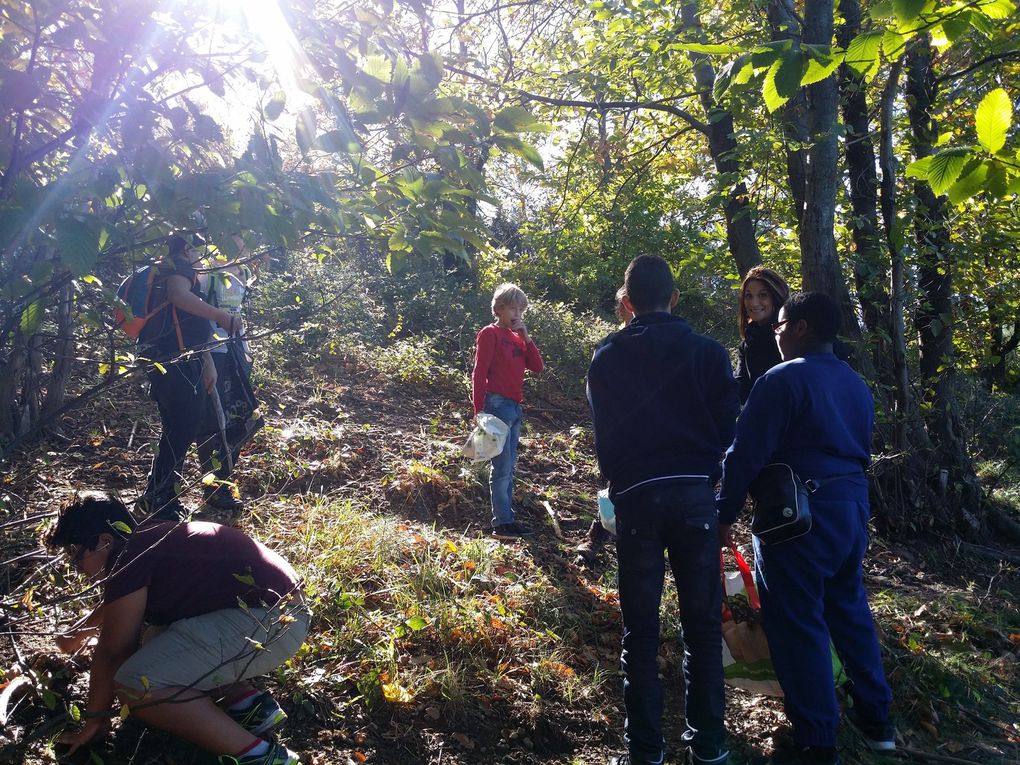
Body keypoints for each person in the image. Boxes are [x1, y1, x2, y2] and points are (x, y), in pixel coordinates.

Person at [716, 292, 895, 765]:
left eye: (779, 327)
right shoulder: (856, 384)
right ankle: (878, 720)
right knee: (848, 608)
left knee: (797, 621)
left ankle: (817, 741)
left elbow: (745, 453)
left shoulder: (782, 379)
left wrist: (723, 512)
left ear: (799, 327)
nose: (775, 336)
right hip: (851, 510)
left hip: (796, 516)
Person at [587, 255, 739, 765]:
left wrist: (621, 477)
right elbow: (728, 431)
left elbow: (604, 436)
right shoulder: (708, 353)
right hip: (696, 497)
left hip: (636, 500)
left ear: (626, 304)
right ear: (674, 298)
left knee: (641, 632)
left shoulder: (606, 357)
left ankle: (646, 751)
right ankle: (710, 746)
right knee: (701, 627)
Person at [46, 491, 309, 765]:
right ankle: (247, 704)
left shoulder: (129, 558)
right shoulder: (147, 540)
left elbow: (113, 651)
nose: (76, 567)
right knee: (154, 641)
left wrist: (94, 722)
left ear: (103, 541)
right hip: (277, 617)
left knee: (136, 684)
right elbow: (118, 604)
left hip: (271, 622)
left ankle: (259, 756)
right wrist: (78, 635)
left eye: (75, 555)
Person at [138, 234, 240, 521]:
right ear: (186, 248)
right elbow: (178, 297)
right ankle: (160, 499)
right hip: (175, 363)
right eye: (199, 249)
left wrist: (206, 360)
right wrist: (221, 316)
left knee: (178, 428)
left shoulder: (171, 269)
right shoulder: (179, 267)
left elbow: (186, 323)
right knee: (182, 427)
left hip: (180, 360)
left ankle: (159, 496)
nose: (201, 256)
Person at [471, 283, 545, 539]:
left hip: (514, 406)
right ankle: (502, 523)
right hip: (497, 404)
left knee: (509, 465)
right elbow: (480, 372)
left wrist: (527, 338)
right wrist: (478, 408)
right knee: (501, 467)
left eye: (521, 309)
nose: (517, 314)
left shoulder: (518, 338)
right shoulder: (490, 333)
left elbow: (537, 367)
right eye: (512, 308)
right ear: (499, 309)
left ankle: (506, 518)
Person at [196, 234, 260, 512]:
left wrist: (246, 350)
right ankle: (215, 487)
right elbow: (195, 317)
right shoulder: (205, 272)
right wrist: (205, 355)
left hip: (236, 353)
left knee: (240, 418)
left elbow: (238, 313)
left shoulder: (243, 271)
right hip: (214, 353)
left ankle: (224, 480)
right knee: (213, 422)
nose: (242, 241)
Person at [575, 286, 633, 567]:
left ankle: (603, 537)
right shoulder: (610, 346)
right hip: (617, 433)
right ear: (624, 307)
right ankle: (598, 537)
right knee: (613, 487)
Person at [735, 266, 790, 405]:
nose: (754, 303)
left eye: (763, 295)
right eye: (748, 296)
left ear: (776, 297)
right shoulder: (748, 343)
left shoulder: (792, 336)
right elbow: (740, 390)